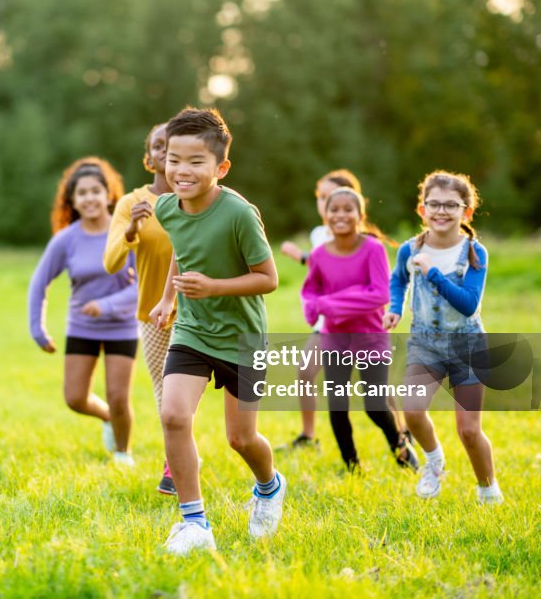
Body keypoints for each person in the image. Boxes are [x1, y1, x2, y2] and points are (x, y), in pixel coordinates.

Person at [148, 107, 285, 554]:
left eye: (195, 162)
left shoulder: (239, 214)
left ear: (220, 167)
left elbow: (268, 278)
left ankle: (269, 485)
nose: (180, 171)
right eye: (173, 159)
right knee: (173, 415)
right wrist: (170, 299)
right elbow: (182, 250)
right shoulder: (167, 207)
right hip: (192, 330)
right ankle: (194, 524)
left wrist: (214, 287)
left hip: (243, 339)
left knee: (241, 438)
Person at [383, 170, 503, 504]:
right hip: (425, 343)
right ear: (421, 210)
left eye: (451, 205)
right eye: (433, 204)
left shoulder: (475, 253)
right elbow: (398, 280)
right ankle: (434, 461)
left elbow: (468, 305)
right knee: (413, 411)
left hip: (468, 344)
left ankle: (488, 489)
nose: (441, 211)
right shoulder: (410, 249)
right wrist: (395, 307)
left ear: (466, 211)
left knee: (468, 430)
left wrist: (432, 273)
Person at [28, 157, 139, 465]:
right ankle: (107, 417)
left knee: (119, 396)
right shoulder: (66, 240)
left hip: (122, 325)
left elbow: (142, 286)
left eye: (95, 191)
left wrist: (106, 305)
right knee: (75, 399)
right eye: (82, 193)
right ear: (73, 201)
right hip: (82, 327)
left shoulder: (126, 231)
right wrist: (37, 329)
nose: (89, 198)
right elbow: (38, 283)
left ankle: (122, 453)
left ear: (108, 194)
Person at [300, 187, 419, 473]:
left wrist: (331, 303)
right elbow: (311, 293)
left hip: (370, 338)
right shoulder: (318, 255)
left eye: (347, 209)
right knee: (337, 407)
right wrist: (315, 307)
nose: (340, 215)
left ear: (360, 215)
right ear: (325, 215)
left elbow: (379, 295)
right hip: (335, 340)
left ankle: (400, 446)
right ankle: (351, 466)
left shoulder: (373, 249)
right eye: (334, 209)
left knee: (375, 404)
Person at [103, 122, 178, 495]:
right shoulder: (131, 203)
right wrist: (132, 231)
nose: (166, 151)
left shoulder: (199, 195)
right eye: (159, 146)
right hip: (153, 315)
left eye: (174, 145)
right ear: (149, 158)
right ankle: (175, 464)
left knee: (186, 394)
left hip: (202, 309)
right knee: (168, 395)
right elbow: (111, 262)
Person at [278, 169, 363, 452]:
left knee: (374, 384)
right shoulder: (318, 234)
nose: (322, 203)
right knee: (305, 371)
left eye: (328, 196)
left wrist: (299, 256)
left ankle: (400, 433)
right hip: (327, 321)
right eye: (320, 197)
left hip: (358, 322)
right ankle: (307, 436)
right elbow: (322, 268)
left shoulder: (360, 236)